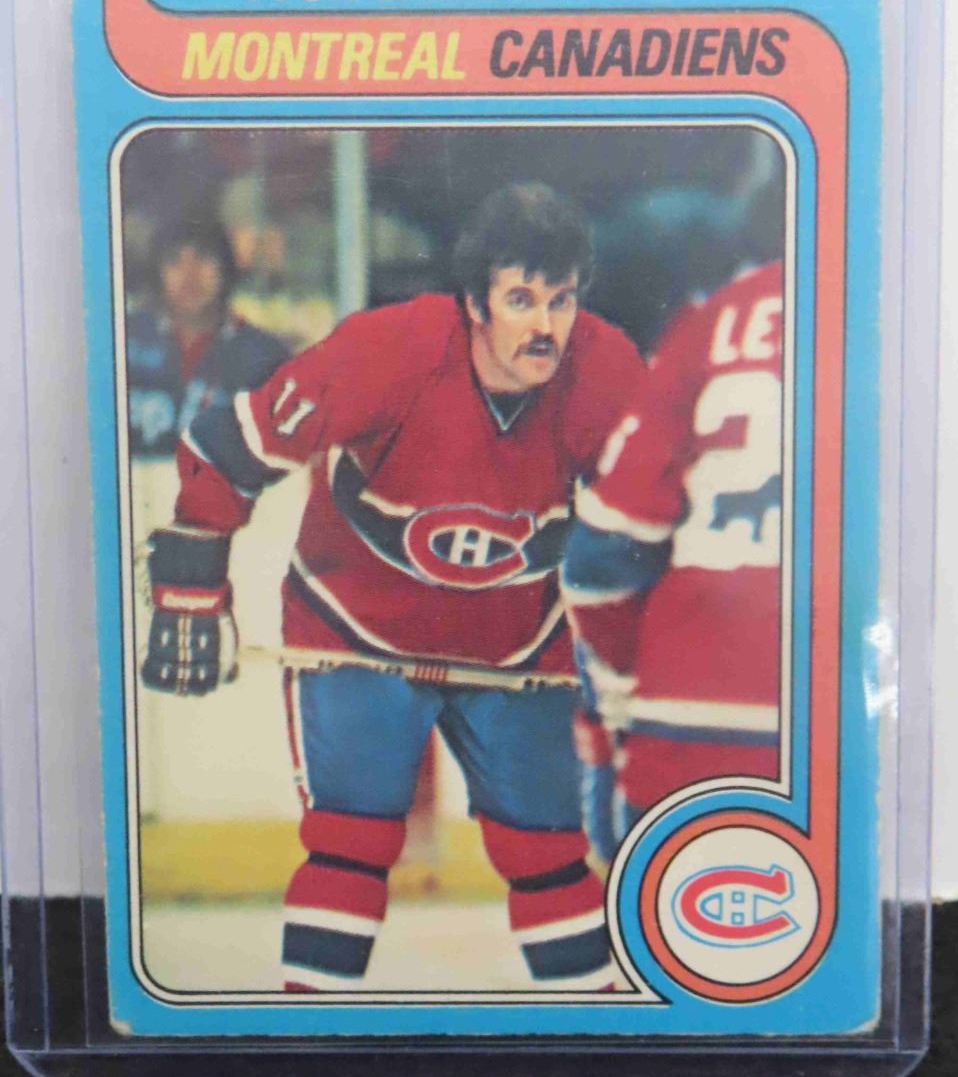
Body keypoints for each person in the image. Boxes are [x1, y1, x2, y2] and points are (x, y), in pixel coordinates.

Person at [142, 184, 644, 992]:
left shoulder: (605, 370)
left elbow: (654, 517)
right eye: (520, 299)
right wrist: (191, 585)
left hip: (513, 639)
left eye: (560, 301)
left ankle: (596, 1037)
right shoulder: (387, 352)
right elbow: (227, 446)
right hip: (357, 627)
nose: (544, 326)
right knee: (351, 841)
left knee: (547, 850)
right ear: (474, 303)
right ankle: (311, 1041)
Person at [562, 258, 784, 863]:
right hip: (860, 740)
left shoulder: (719, 317)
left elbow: (601, 557)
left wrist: (617, 693)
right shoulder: (931, 323)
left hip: (686, 725)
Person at [127, 221, 288, 457]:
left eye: (203, 258)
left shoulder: (266, 358)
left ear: (225, 268)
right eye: (174, 261)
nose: (189, 275)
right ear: (157, 272)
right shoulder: (125, 342)